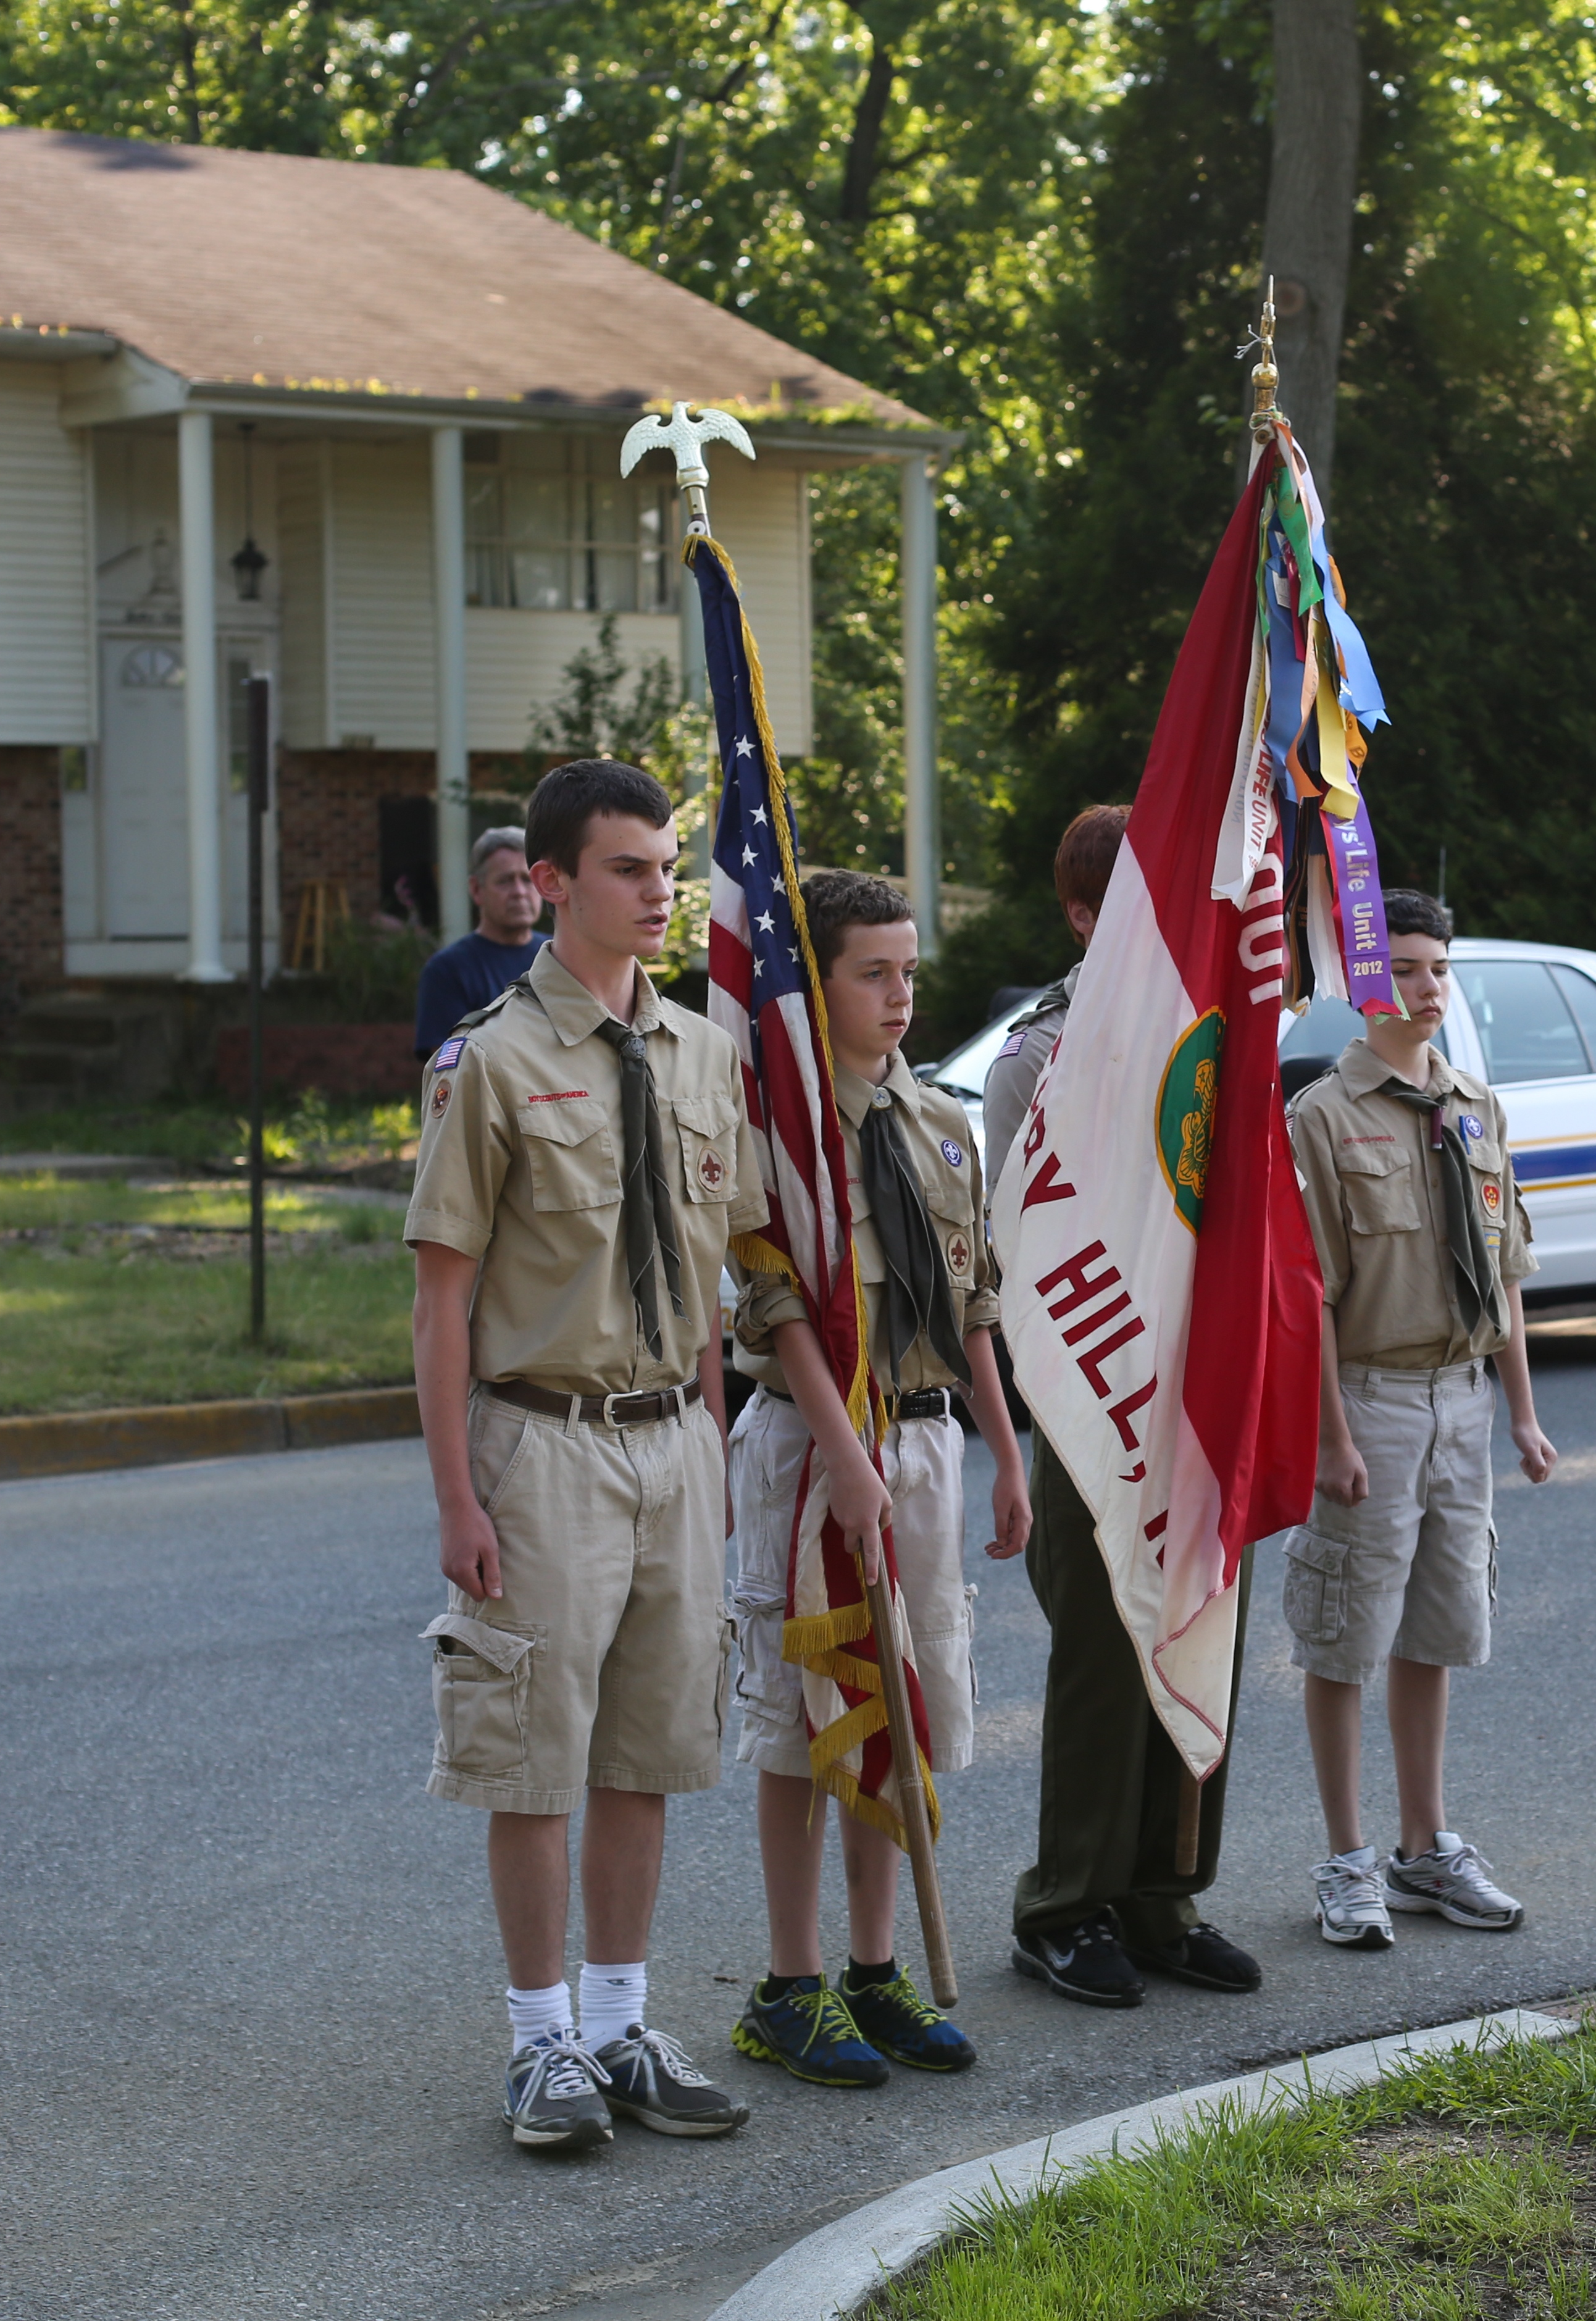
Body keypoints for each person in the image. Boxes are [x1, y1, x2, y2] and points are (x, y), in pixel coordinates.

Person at [402, 759, 756, 2155]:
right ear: (547, 883)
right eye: (626, 868)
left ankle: (619, 2026)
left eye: (666, 866)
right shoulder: (487, 1063)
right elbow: (440, 1303)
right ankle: (541, 2042)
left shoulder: (702, 1057)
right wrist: (454, 1493)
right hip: (542, 1442)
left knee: (648, 1752)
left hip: (673, 1437)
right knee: (535, 1756)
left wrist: (715, 1447)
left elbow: (711, 1276)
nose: (658, 891)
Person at [725, 868, 1035, 2086]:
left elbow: (974, 1310)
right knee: (807, 1723)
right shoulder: (786, 1136)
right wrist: (844, 1455)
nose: (900, 994)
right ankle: (791, 1986)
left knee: (901, 1713)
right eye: (873, 971)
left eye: (912, 970)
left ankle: (873, 1968)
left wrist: (1004, 1451)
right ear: (820, 983)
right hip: (813, 1452)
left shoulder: (940, 1126)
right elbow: (778, 1303)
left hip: (918, 1444)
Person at [986, 806, 1267, 2008]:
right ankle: (1067, 1901)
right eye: (1131, 908)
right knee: (1103, 1656)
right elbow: (1020, 1246)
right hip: (1096, 1390)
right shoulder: (1036, 1056)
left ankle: (1163, 1890)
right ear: (1083, 916)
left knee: (1197, 1621)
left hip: (1197, 1400)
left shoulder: (1204, 1042)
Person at [1282, 889, 1560, 1952]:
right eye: (1403, 966)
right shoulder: (1321, 1115)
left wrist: (1522, 1412)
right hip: (1371, 1396)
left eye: (1438, 967)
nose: (1427, 986)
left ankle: (1422, 1845)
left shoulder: (1477, 1109)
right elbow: (1303, 1296)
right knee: (1345, 1631)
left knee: (1435, 1629)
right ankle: (1346, 1857)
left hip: (1461, 1401)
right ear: (1361, 980)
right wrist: (1328, 1437)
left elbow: (1507, 1275)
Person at [414, 827, 548, 1064]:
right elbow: (447, 1072)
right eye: (505, 881)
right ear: (476, 890)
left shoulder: (560, 957)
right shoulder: (447, 971)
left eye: (527, 880)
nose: (519, 892)